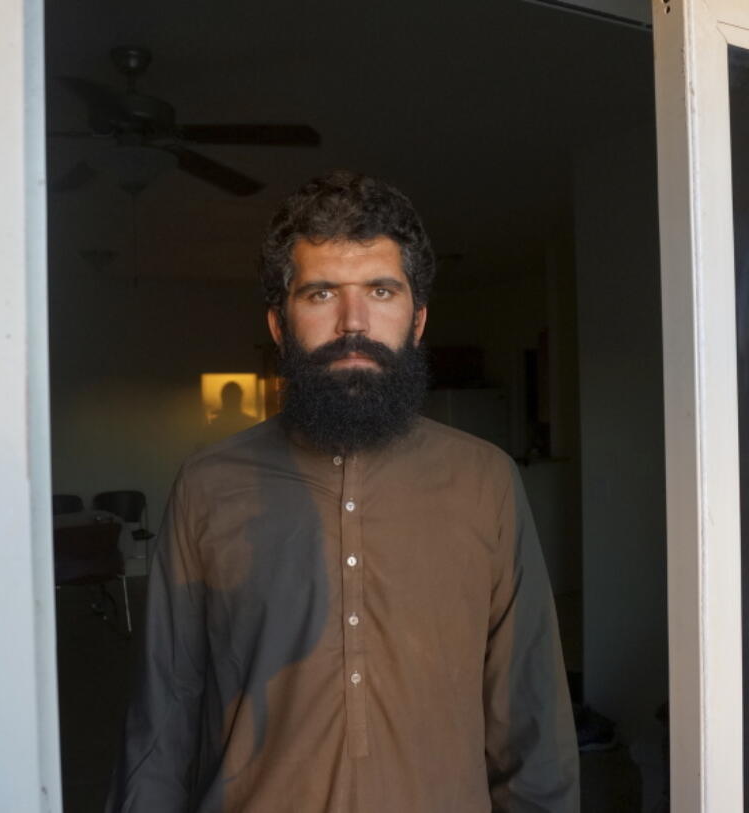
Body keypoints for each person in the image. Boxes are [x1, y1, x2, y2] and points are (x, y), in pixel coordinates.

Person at [107, 170, 579, 812]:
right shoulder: (209, 484)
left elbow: (531, 716)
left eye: (381, 290)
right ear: (279, 325)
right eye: (321, 292)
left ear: (416, 320)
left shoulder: (486, 479)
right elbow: (162, 720)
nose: (352, 322)